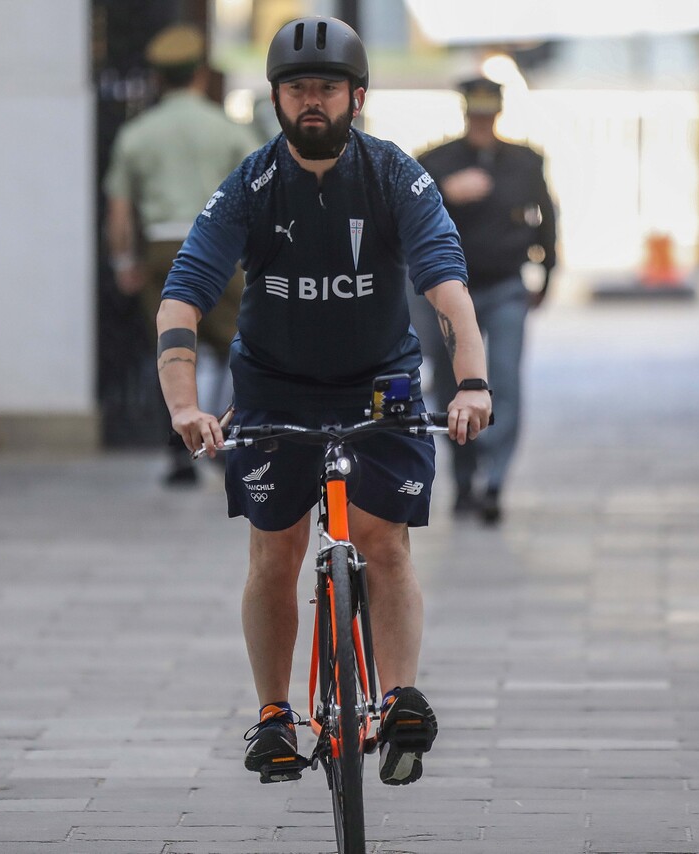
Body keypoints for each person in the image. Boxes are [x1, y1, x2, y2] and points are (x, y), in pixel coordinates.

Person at [154, 17, 492, 786]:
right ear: (275, 98)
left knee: (385, 542)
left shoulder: (393, 175)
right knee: (276, 553)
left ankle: (399, 696)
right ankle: (276, 714)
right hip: (274, 387)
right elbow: (181, 302)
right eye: (298, 88)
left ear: (358, 96)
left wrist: (472, 382)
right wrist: (182, 406)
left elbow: (449, 292)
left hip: (380, 383)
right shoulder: (249, 184)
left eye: (328, 88)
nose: (313, 102)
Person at [103, 23, 257, 486]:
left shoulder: (137, 134)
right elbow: (259, 187)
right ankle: (231, 439)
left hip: (161, 247)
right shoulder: (226, 129)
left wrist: (124, 260)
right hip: (218, 247)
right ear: (199, 75)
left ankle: (178, 451)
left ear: (157, 78)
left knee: (171, 348)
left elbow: (120, 209)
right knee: (238, 346)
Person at [416, 77, 557, 524]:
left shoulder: (523, 161)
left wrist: (549, 271)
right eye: (474, 115)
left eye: (487, 115)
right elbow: (406, 208)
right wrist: (446, 189)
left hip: (505, 285)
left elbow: (547, 216)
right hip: (449, 292)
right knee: (451, 381)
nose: (481, 123)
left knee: (504, 381)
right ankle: (464, 476)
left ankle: (495, 478)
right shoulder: (436, 161)